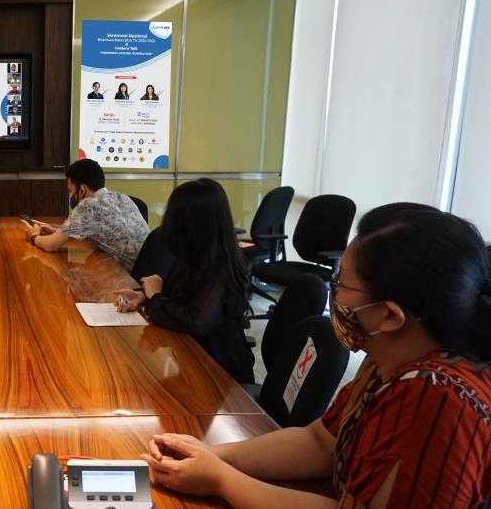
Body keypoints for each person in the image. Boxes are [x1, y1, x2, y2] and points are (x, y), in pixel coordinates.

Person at [138, 203, 491, 508]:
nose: (332, 293)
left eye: (341, 283)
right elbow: (321, 442)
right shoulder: (388, 355)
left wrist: (220, 480)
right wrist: (215, 456)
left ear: (389, 315)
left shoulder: (439, 398)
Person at [112, 179, 254, 383]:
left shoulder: (219, 266)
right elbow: (178, 295)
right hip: (193, 360)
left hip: (220, 375)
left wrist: (155, 296)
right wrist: (143, 296)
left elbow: (197, 321)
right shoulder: (195, 256)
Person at [22, 159, 149, 273]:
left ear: (82, 190)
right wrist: (56, 232)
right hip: (146, 270)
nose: (71, 196)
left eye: (71, 191)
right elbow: (95, 237)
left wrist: (34, 236)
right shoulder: (122, 197)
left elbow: (51, 246)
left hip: (126, 277)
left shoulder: (89, 205)